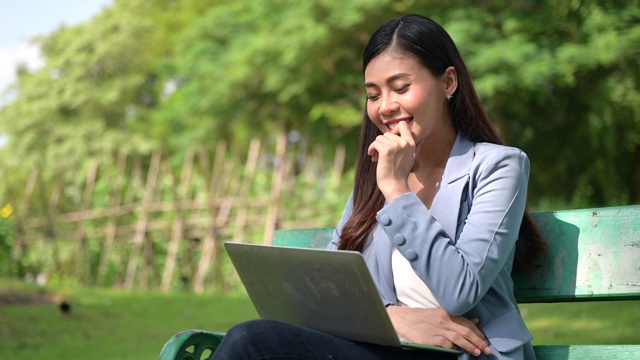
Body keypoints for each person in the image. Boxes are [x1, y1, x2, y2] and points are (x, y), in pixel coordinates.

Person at [212, 13, 546, 360]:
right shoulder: (376, 178)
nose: (385, 107)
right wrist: (396, 319)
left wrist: (397, 190)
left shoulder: (499, 166)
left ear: (448, 82)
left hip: (470, 353)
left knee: (253, 342)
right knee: (250, 340)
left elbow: (460, 291)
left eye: (401, 88)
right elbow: (329, 294)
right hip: (386, 348)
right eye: (373, 95)